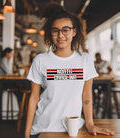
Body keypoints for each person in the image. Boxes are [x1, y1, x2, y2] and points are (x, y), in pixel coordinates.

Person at [25, 2, 114, 138]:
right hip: (43, 128)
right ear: (51, 33)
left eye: (65, 30)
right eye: (55, 30)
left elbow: (87, 97)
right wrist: (26, 134)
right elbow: (34, 98)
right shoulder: (40, 60)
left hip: (73, 129)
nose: (60, 35)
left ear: (74, 32)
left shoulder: (85, 59)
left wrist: (90, 124)